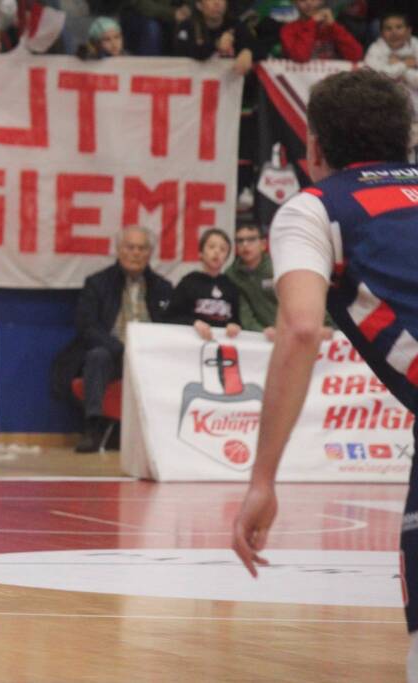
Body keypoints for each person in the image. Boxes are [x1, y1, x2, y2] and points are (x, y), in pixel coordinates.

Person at [229, 69, 418, 681]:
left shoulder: (315, 209)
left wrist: (262, 479)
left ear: (312, 147)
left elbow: (302, 328)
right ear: (406, 140)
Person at [62, 226, 173, 453]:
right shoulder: (97, 283)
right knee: (97, 356)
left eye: (142, 248)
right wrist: (121, 348)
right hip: (114, 354)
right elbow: (87, 327)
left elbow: (170, 327)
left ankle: (167, 433)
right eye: (130, 247)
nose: (136, 253)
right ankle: (93, 428)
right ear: (119, 250)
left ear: (150, 253)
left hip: (150, 357)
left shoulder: (163, 287)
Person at [166, 228, 241, 340]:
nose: (217, 252)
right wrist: (193, 322)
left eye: (223, 249)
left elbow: (236, 319)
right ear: (201, 253)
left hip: (222, 341)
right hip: (192, 340)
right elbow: (170, 316)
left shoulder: (230, 286)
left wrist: (234, 325)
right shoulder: (189, 282)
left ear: (227, 257)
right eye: (211, 247)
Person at [174, 0, 255, 74]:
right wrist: (216, 44)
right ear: (199, 5)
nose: (217, 3)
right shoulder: (188, 26)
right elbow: (182, 53)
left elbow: (255, 45)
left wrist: (247, 51)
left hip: (228, 82)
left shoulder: (234, 25)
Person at [225, 223, 276, 335]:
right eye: (240, 241)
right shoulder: (231, 275)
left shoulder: (279, 267)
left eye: (251, 239)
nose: (245, 245)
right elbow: (244, 313)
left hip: (290, 331)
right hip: (256, 335)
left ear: (263, 244)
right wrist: (262, 332)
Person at [280, 0, 362, 62]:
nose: (309, 3)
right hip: (302, 78)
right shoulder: (288, 29)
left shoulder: (334, 26)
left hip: (333, 78)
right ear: (294, 3)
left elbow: (356, 55)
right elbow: (300, 57)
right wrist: (312, 23)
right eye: (302, 0)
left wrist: (333, 26)